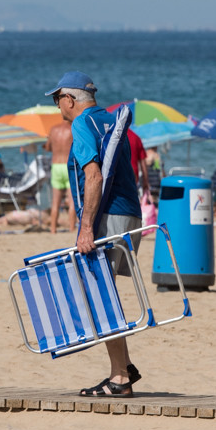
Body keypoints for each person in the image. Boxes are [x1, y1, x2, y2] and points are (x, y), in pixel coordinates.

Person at [48, 70, 146, 398]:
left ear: (69, 99)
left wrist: (86, 228)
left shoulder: (81, 124)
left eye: (57, 98)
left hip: (109, 216)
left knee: (100, 294)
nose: (57, 105)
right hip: (130, 213)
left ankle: (120, 377)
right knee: (105, 292)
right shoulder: (109, 120)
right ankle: (123, 367)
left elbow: (94, 177)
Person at [45, 117, 74, 234]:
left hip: (56, 166)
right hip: (68, 165)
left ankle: (53, 229)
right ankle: (72, 228)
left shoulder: (53, 129)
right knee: (72, 201)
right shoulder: (72, 129)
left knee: (55, 202)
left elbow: (48, 147)